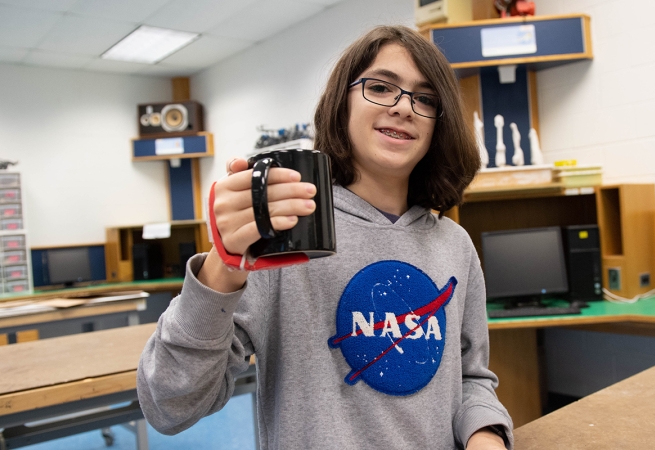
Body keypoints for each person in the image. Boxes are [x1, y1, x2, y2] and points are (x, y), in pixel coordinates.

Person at [137, 25, 514, 450]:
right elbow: (170, 405)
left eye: (425, 98)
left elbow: (469, 378)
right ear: (341, 104)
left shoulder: (454, 245)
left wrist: (486, 435)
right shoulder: (287, 234)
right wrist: (222, 268)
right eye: (381, 87)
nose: (403, 107)